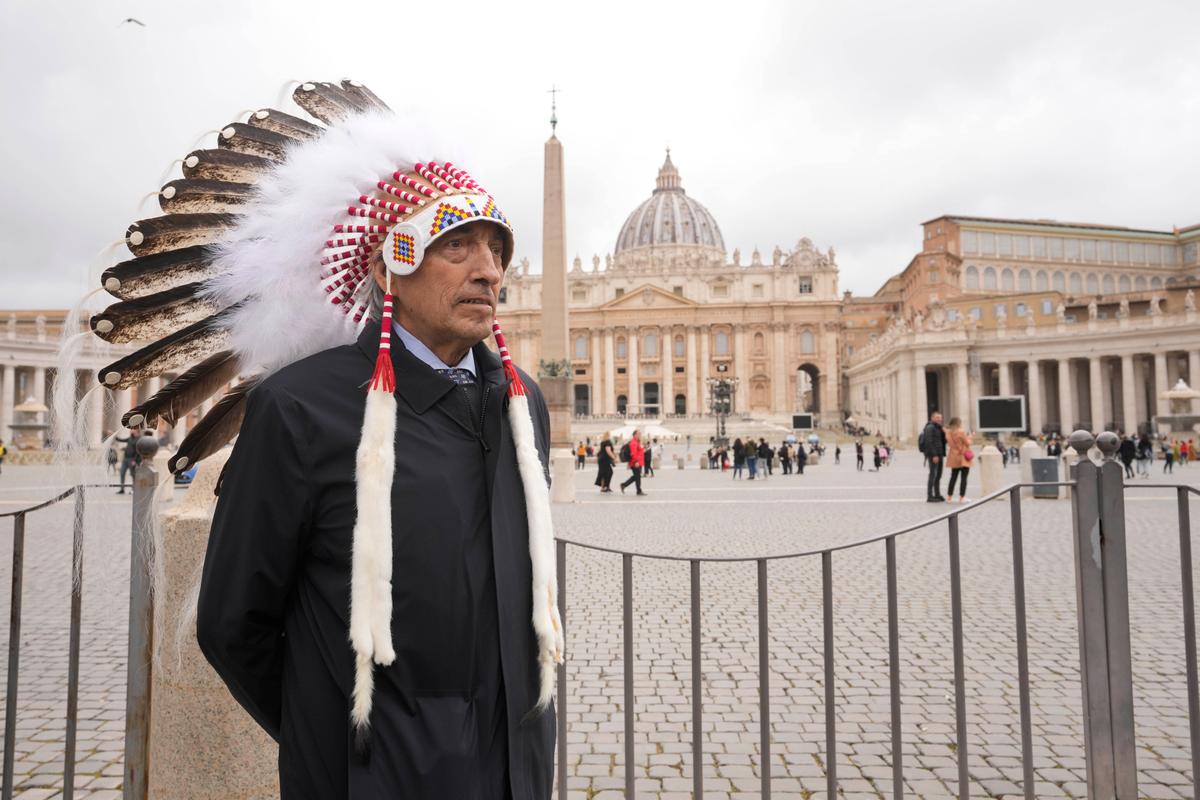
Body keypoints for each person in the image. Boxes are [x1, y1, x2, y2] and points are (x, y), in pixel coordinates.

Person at [133, 90, 569, 798]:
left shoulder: (523, 401)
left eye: (497, 248)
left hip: (512, 769)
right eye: (456, 244)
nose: (488, 270)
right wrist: (339, 737)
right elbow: (234, 624)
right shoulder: (299, 408)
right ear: (385, 265)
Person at [921, 412, 947, 502]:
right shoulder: (930, 427)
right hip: (934, 455)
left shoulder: (938, 428)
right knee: (933, 474)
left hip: (940, 454)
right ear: (932, 418)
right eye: (937, 417)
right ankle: (930, 496)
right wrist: (934, 455)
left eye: (940, 417)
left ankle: (937, 494)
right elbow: (929, 442)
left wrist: (944, 432)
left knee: (938, 475)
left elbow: (942, 441)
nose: (939, 419)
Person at [945, 417, 972, 503]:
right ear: (958, 423)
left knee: (953, 477)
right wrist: (970, 437)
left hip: (953, 456)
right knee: (964, 477)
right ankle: (962, 497)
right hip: (963, 456)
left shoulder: (948, 433)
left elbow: (949, 443)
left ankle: (949, 497)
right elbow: (967, 443)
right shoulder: (961, 432)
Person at [620, 430, 647, 495]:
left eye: (640, 434)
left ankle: (624, 485)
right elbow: (633, 454)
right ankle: (639, 491)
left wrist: (643, 449)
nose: (640, 435)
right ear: (635, 435)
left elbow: (638, 451)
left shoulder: (636, 442)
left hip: (637, 462)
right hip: (635, 462)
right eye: (638, 434)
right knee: (637, 477)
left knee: (636, 476)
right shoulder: (633, 443)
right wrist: (636, 462)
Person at [115, 427, 140, 494]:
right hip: (125, 459)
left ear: (137, 431)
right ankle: (122, 489)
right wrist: (114, 436)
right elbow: (120, 440)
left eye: (133, 429)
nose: (131, 431)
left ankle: (133, 489)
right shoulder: (130, 438)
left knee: (133, 475)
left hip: (132, 460)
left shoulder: (139, 439)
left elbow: (138, 452)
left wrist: (134, 461)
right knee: (122, 473)